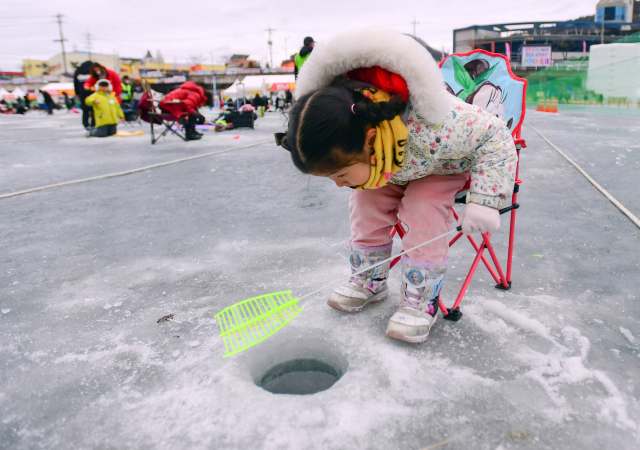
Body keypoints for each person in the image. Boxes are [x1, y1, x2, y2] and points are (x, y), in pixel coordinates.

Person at [277, 28, 517, 344]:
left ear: (372, 141)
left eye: (341, 174)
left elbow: (496, 135)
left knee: (423, 203)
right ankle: (370, 280)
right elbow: (361, 176)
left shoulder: (442, 120)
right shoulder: (360, 136)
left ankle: (421, 299)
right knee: (365, 200)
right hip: (392, 169)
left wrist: (485, 200)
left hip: (443, 166)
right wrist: (358, 177)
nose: (339, 185)